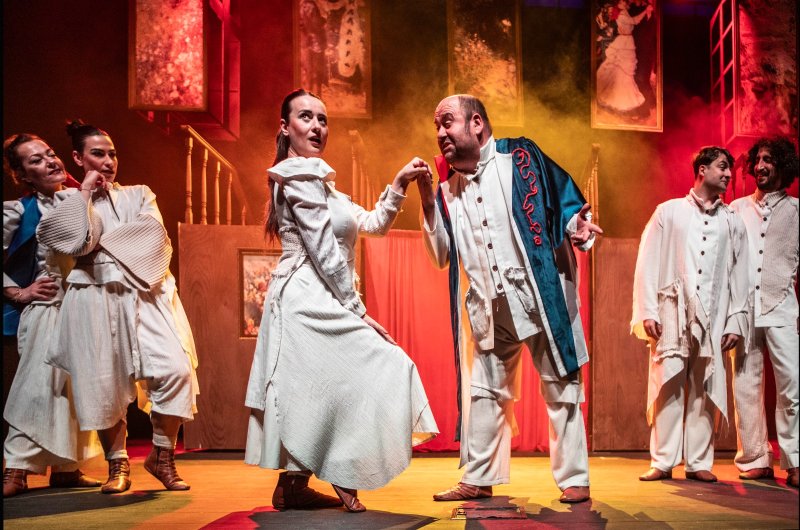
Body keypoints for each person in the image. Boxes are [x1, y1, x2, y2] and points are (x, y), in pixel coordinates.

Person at [244, 88, 438, 513]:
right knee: (368, 366)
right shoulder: (296, 174)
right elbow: (322, 249)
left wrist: (399, 182)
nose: (317, 126)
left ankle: (292, 485)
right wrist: (358, 311)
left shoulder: (324, 186)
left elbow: (374, 224)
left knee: (320, 385)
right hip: (305, 296)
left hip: (325, 293)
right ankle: (341, 468)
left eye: (323, 119)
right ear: (285, 127)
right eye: (306, 117)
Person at [418, 94, 602, 504]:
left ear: (477, 123)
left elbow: (561, 198)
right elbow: (441, 255)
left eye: (448, 122)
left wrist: (577, 224)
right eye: (437, 126)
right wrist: (428, 201)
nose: (441, 133)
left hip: (538, 294)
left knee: (561, 386)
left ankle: (574, 478)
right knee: (485, 392)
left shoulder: (520, 156)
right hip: (489, 305)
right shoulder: (445, 186)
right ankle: (479, 477)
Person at [36, 121, 200, 494]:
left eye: (112, 154)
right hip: (92, 294)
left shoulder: (140, 194)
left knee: (176, 369)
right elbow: (70, 242)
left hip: (144, 291)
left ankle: (162, 455)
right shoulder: (67, 201)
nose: (109, 161)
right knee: (101, 381)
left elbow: (151, 239)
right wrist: (85, 200)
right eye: (98, 154)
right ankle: (117, 464)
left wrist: (96, 241)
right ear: (78, 158)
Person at [632, 146, 749, 482]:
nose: (728, 174)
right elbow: (647, 261)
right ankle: (663, 460)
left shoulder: (732, 221)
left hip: (714, 313)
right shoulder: (668, 212)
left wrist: (736, 319)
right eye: (722, 167)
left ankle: (699, 462)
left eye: (729, 169)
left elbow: (741, 273)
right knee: (669, 382)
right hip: (673, 311)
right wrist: (648, 310)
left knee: (705, 384)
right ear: (702, 169)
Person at [2, 133, 103, 497]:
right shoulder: (17, 210)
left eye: (50, 153)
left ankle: (66, 468)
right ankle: (16, 467)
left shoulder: (81, 198)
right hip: (46, 308)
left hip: (82, 305)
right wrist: (18, 291)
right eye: (35, 160)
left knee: (73, 388)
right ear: (22, 174)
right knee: (36, 385)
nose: (49, 161)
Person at [729, 137, 798, 488]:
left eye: (768, 160)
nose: (760, 166)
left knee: (791, 386)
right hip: (744, 309)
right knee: (745, 383)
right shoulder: (736, 208)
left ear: (783, 166)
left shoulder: (797, 210)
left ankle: (795, 460)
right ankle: (754, 457)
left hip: (781, 306)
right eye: (757, 159)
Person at [595, 0, 653, 115]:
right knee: (621, 72)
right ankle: (620, 101)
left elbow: (633, 21)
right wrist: (645, 11)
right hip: (623, 43)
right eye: (622, 1)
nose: (625, 3)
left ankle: (625, 101)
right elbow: (634, 21)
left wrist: (646, 10)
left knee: (626, 73)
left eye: (624, 1)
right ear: (619, 4)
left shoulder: (625, 12)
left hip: (627, 42)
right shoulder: (621, 14)